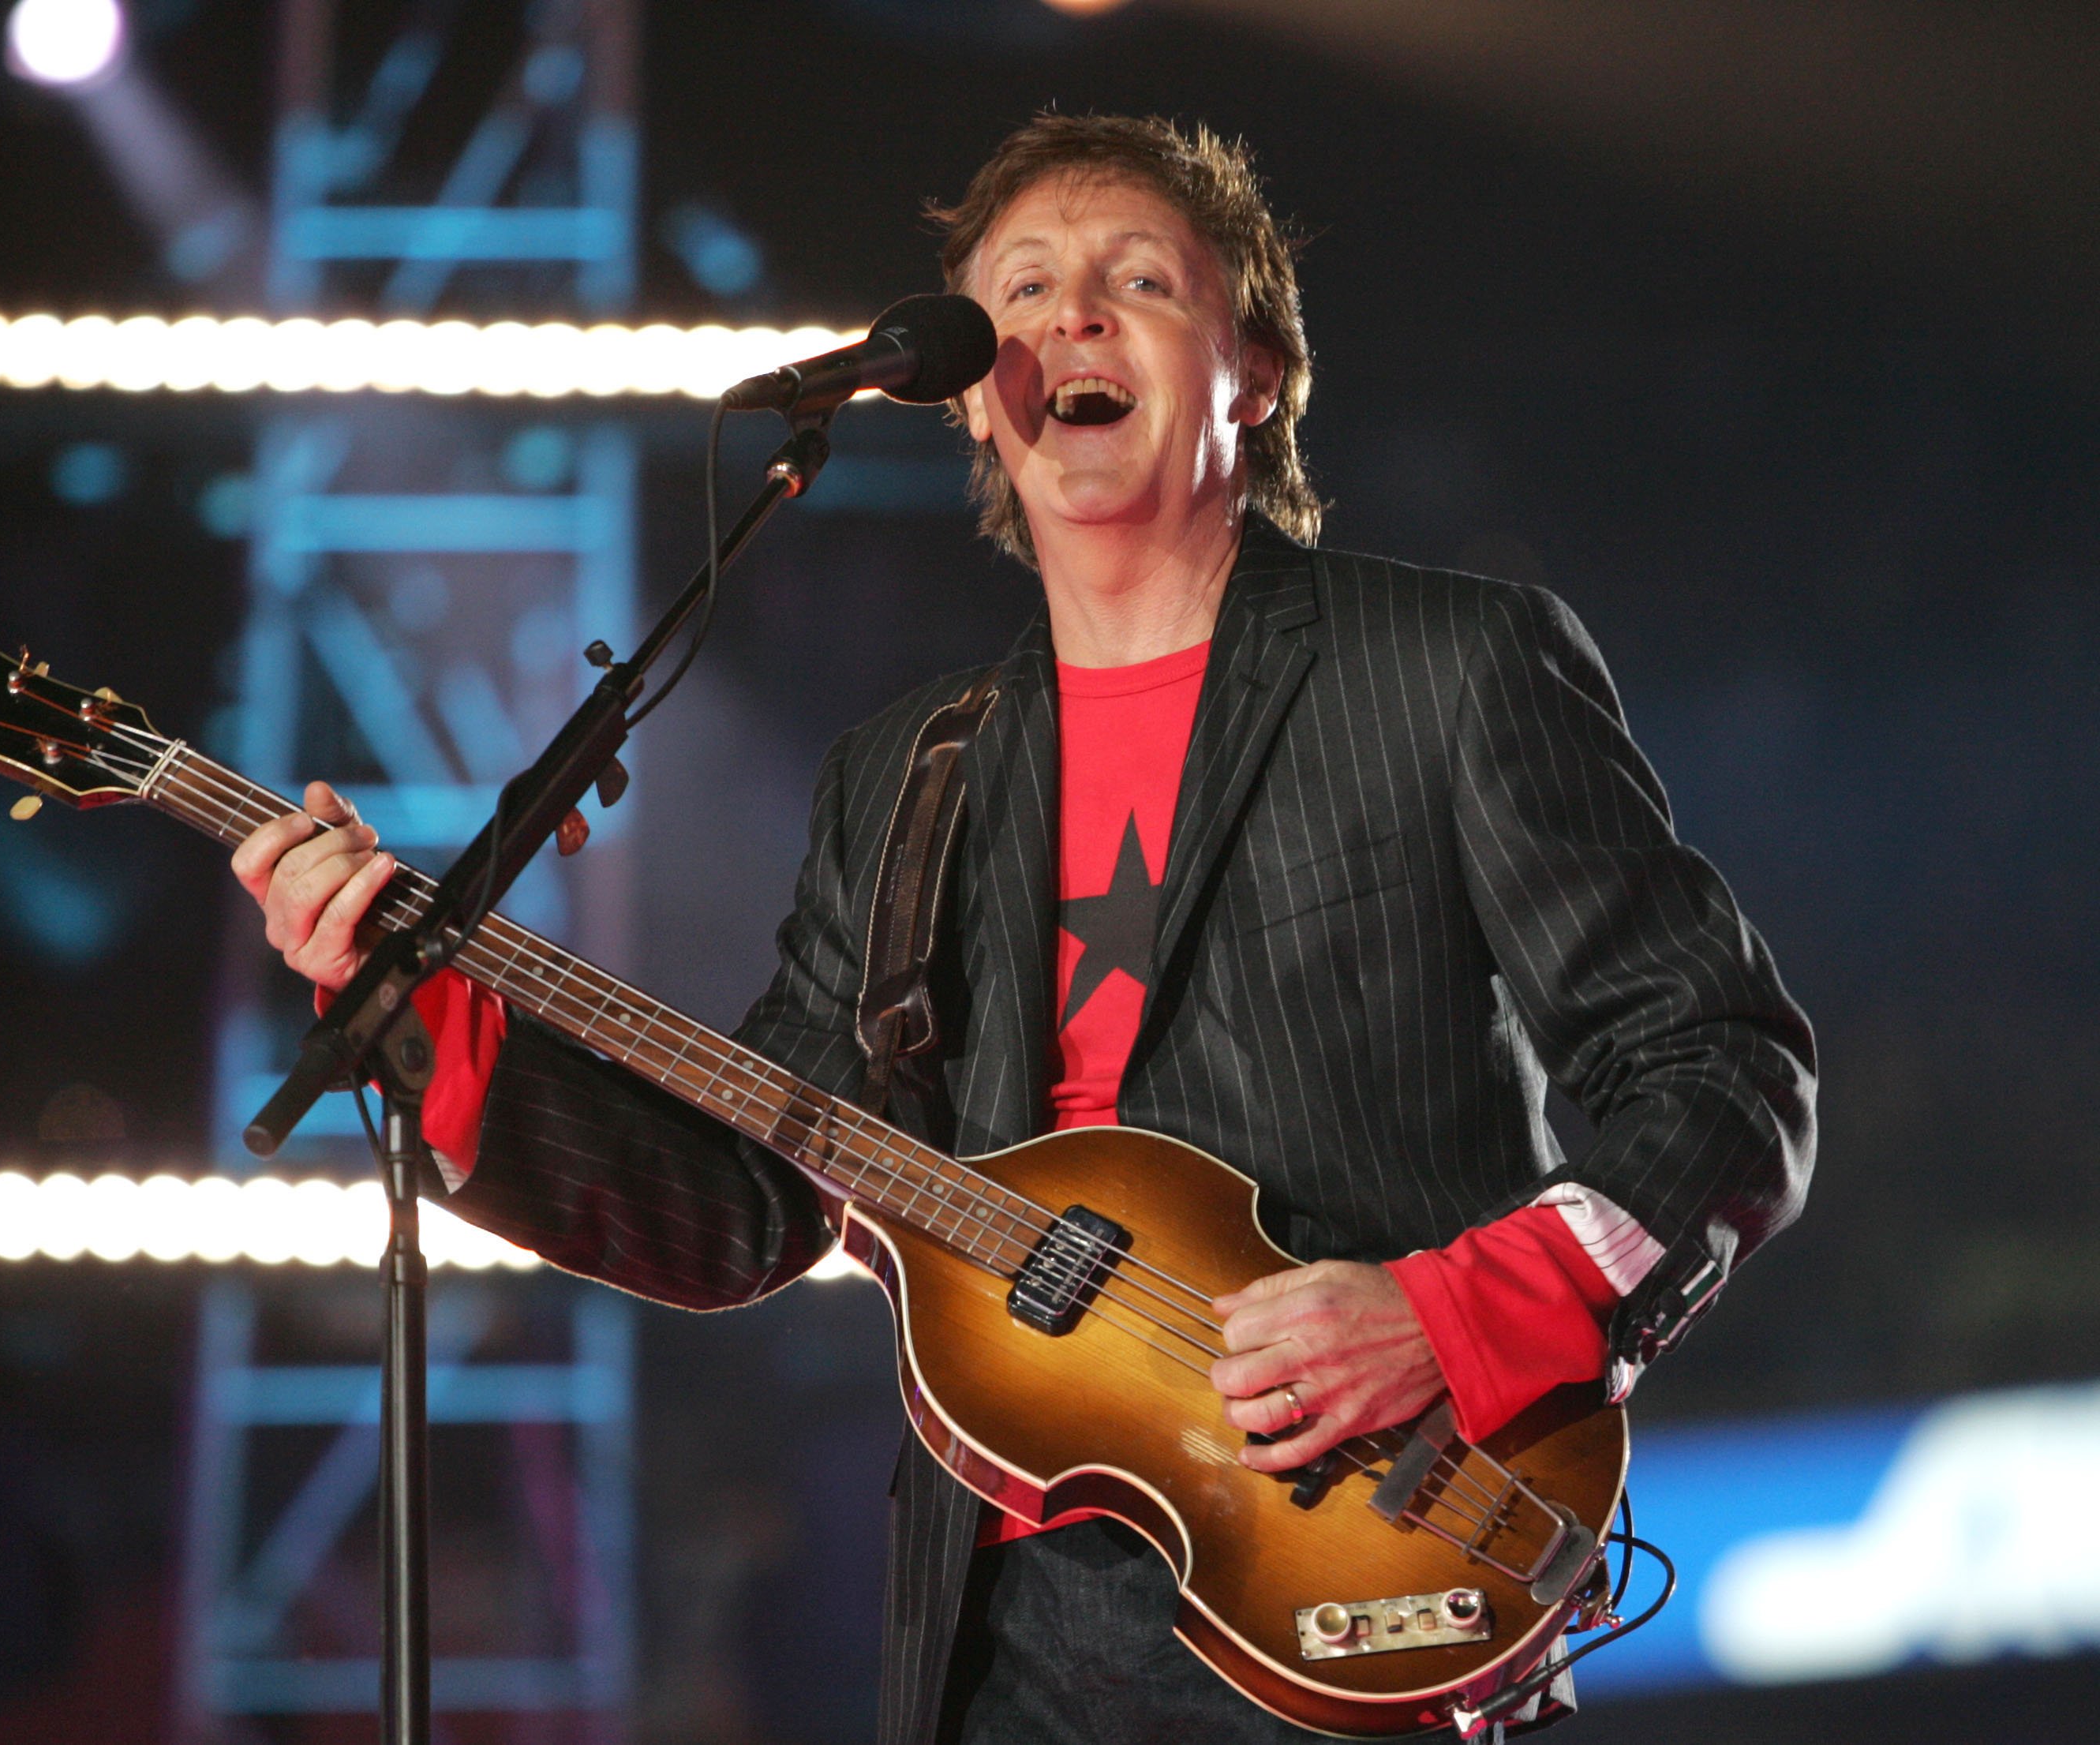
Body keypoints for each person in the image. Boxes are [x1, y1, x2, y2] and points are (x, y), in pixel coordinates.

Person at [230, 114, 1815, 1743]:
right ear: (977, 402)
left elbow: (1717, 1069)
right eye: (1023, 293)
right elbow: (746, 1202)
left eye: (1138, 279)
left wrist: (1449, 1310)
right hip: (1011, 1633)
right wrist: (429, 1010)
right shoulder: (909, 775)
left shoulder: (1447, 665)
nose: (1071, 318)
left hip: (1363, 1550)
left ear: (1255, 373)